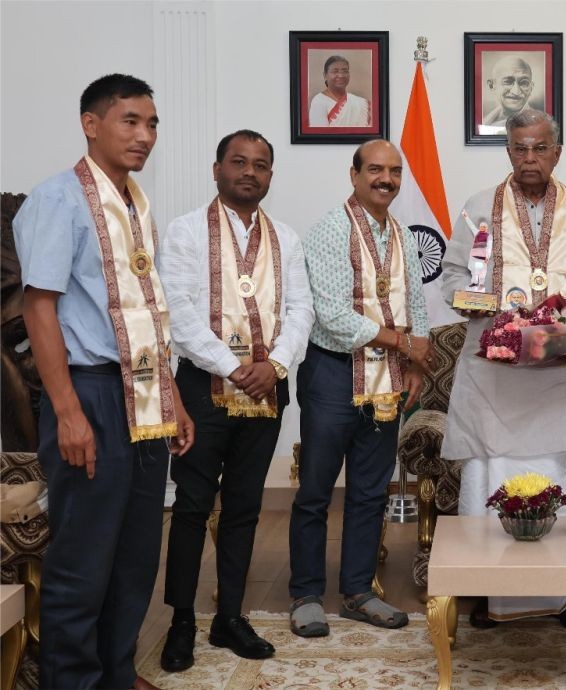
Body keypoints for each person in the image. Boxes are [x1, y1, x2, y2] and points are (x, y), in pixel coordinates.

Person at [12, 73, 195, 690]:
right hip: (88, 390)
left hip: (144, 392)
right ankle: (72, 680)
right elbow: (40, 308)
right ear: (91, 124)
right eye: (130, 121)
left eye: (152, 124)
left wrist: (171, 398)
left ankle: (116, 670)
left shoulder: (133, 204)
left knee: (137, 550)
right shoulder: (58, 199)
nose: (144, 136)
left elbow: (145, 313)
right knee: (84, 558)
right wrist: (66, 413)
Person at [442, 109, 566, 630]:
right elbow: (453, 276)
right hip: (496, 377)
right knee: (494, 472)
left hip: (562, 380)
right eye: (520, 148)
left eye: (540, 148)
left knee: (560, 471)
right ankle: (491, 592)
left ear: (557, 152)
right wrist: (485, 309)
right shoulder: (478, 208)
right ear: (508, 151)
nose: (530, 158)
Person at [157, 130, 314, 671]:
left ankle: (230, 618)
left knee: (245, 505)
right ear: (217, 168)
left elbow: (301, 310)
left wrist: (273, 366)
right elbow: (178, 314)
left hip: (268, 387)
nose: (250, 172)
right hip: (203, 388)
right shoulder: (183, 232)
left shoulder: (286, 240)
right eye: (239, 162)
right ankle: (181, 619)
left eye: (261, 165)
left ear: (271, 176)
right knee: (193, 505)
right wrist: (232, 368)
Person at [288, 139, 431, 635]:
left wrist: (415, 365)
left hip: (387, 379)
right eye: (374, 169)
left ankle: (357, 591)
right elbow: (332, 316)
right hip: (333, 374)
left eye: (394, 171)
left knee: (371, 492)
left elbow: (416, 303)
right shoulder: (329, 231)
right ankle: (305, 593)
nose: (385, 179)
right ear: (354, 175)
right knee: (315, 492)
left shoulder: (401, 235)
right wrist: (403, 343)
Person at [308, 55, 372, 128]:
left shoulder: (359, 103)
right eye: (335, 71)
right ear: (325, 75)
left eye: (345, 71)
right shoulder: (319, 101)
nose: (341, 75)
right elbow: (320, 135)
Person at [478, 55, 534, 135]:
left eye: (524, 82)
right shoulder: (487, 121)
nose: (516, 91)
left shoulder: (537, 124)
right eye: (508, 82)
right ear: (492, 85)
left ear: (531, 87)